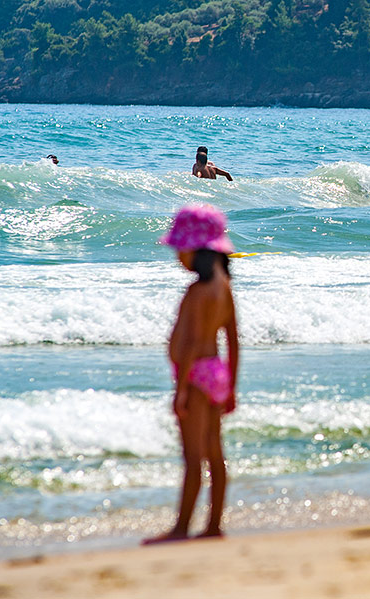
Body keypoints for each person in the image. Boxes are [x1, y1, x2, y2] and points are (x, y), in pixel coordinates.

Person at [144, 204, 239, 545]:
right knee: (214, 452)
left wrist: (181, 389)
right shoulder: (224, 287)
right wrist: (231, 386)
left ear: (198, 251)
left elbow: (193, 345)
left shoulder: (196, 293)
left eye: (180, 250)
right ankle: (213, 525)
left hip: (196, 378)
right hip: (216, 375)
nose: (177, 257)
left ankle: (182, 529)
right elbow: (233, 339)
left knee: (192, 455)